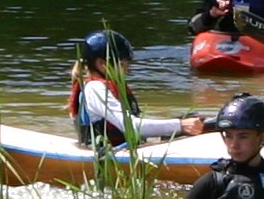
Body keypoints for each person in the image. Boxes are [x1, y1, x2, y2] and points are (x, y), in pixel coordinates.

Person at [68, 32, 206, 151]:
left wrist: (180, 123)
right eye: (123, 64)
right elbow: (131, 127)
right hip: (108, 154)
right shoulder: (95, 89)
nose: (127, 70)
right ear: (102, 64)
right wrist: (181, 125)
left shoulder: (107, 86)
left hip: (125, 148)